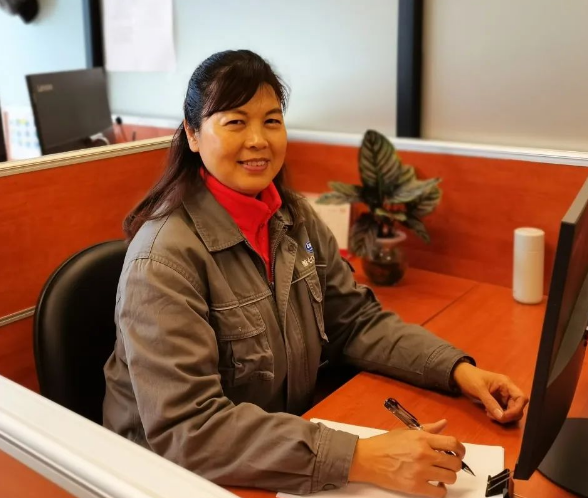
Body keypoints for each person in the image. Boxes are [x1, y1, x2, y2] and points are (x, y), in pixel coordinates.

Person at [103, 50, 528, 498]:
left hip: (277, 454)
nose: (258, 140)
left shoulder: (293, 217)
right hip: (169, 479)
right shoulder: (162, 260)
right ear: (192, 134)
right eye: (235, 122)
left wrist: (458, 371)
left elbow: (355, 322)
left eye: (271, 121)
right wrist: (359, 458)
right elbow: (190, 430)